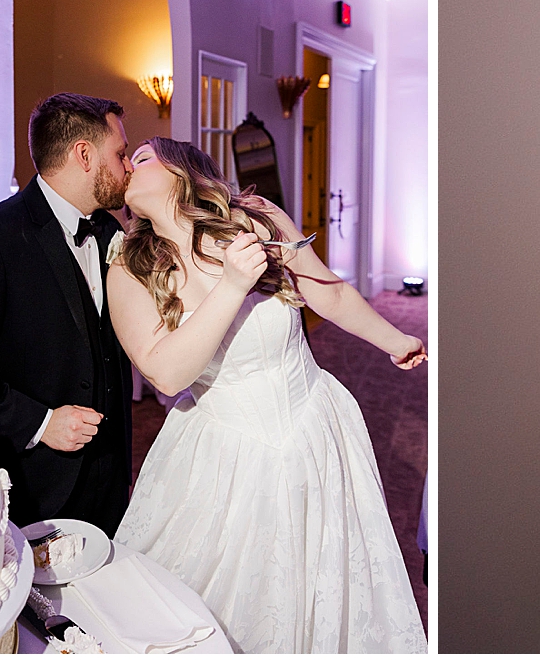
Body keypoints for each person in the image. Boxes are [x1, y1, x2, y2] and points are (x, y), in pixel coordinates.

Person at [110, 137, 425, 652]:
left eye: (142, 156)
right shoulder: (130, 266)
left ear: (181, 170)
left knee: (318, 584)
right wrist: (232, 284)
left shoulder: (255, 218)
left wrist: (397, 340)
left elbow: (329, 291)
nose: (128, 166)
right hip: (223, 453)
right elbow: (166, 375)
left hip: (312, 428)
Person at [0, 93, 135, 537]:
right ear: (84, 155)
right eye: (120, 154)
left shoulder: (109, 230)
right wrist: (41, 423)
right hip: (37, 485)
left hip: (110, 476)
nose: (128, 167)